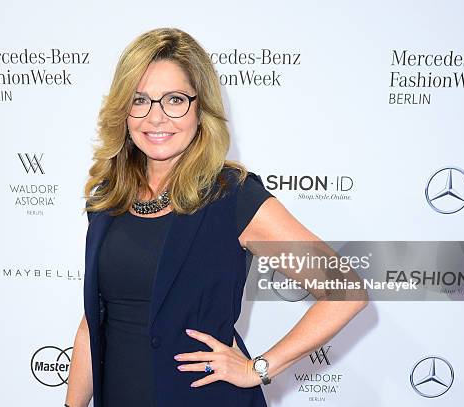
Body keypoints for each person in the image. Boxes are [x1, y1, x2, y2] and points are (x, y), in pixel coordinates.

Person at [65, 27, 368, 407]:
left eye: (174, 100)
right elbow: (92, 327)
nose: (156, 117)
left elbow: (345, 291)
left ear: (200, 108)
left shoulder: (233, 196)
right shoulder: (108, 200)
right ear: (123, 110)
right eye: (139, 100)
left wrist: (256, 368)